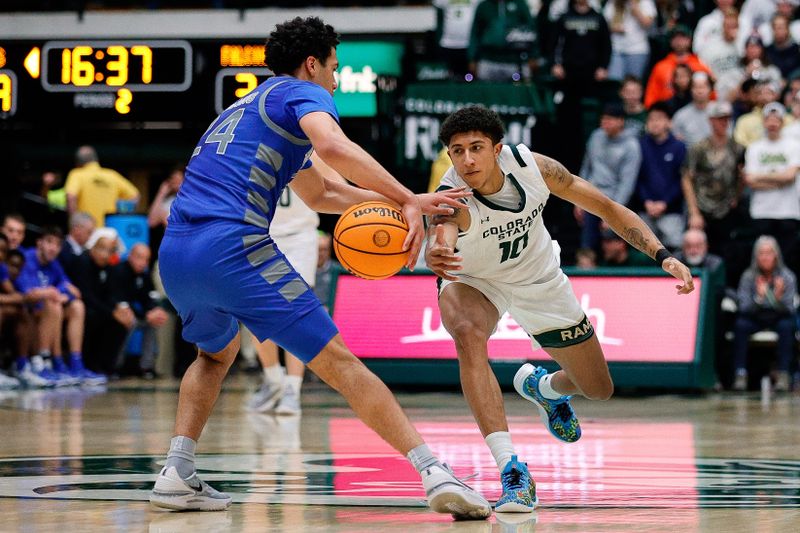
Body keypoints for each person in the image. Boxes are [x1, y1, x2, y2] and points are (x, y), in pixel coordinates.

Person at [149, 17, 490, 519]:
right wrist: (405, 198)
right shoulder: (299, 95)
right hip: (232, 247)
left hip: (177, 254)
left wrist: (407, 201)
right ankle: (433, 472)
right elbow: (334, 148)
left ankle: (176, 471)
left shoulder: (247, 107)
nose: (336, 77)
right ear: (313, 64)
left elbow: (325, 192)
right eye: (334, 66)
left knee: (213, 357)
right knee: (341, 363)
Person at [425, 105, 693, 511]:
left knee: (598, 388)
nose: (466, 160)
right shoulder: (453, 198)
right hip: (476, 281)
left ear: (497, 149)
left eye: (476, 148)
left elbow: (606, 207)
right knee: (466, 332)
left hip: (538, 279)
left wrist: (663, 256)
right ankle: (511, 470)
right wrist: (437, 249)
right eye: (457, 151)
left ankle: (544, 389)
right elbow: (441, 234)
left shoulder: (535, 169)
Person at [245, 154, 335, 417]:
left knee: (294, 315)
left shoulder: (315, 154)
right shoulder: (258, 148)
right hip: (262, 236)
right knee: (256, 314)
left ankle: (292, 391)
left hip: (300, 239)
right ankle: (273, 380)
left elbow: (337, 187)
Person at [13, 226, 96, 386]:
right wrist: (51, 293)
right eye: (49, 242)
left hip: (48, 311)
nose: (53, 248)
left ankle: (75, 362)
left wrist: (57, 292)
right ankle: (44, 363)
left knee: (77, 306)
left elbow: (73, 291)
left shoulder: (54, 264)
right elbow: (28, 294)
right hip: (29, 313)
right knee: (53, 305)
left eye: (58, 245)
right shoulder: (26, 258)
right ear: (39, 243)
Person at [681, 100, 745, 276]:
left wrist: (736, 197)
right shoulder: (699, 148)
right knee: (697, 251)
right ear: (711, 120)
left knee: (727, 253)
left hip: (725, 209)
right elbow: (687, 178)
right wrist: (694, 211)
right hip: (702, 207)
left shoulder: (737, 147)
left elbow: (742, 175)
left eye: (726, 119)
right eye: (719, 118)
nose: (724, 122)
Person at [733, 235, 797, 392]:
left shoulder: (787, 276)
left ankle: (783, 374)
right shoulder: (748, 276)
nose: (765, 257)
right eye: (761, 253)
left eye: (769, 253)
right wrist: (760, 299)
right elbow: (744, 307)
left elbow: (790, 308)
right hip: (755, 317)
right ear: (756, 256)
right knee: (740, 325)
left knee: (787, 326)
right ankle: (740, 373)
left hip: (778, 318)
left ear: (776, 255)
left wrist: (777, 298)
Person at [575, 102, 641, 252]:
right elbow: (586, 168)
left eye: (610, 119)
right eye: (603, 119)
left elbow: (627, 183)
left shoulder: (631, 146)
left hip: (613, 200)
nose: (605, 123)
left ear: (621, 121)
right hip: (590, 195)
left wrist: (613, 212)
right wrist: (576, 197)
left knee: (612, 246)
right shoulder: (596, 136)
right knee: (587, 246)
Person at [743, 102, 800, 272]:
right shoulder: (754, 148)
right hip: (762, 211)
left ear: (783, 122)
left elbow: (790, 177)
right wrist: (779, 177)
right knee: (761, 259)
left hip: (788, 211)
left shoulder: (794, 146)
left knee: (789, 258)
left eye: (777, 119)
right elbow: (750, 180)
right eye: (769, 119)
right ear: (763, 122)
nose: (773, 123)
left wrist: (761, 176)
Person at [635, 102, 687, 250]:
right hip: (645, 209)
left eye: (659, 119)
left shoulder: (679, 147)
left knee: (673, 252)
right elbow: (637, 178)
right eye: (651, 119)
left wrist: (665, 202)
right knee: (643, 251)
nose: (654, 123)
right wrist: (646, 201)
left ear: (669, 122)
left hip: (672, 211)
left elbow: (681, 180)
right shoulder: (640, 145)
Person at [113, 243, 169, 379]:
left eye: (146, 259)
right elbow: (122, 301)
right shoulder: (120, 271)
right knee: (129, 321)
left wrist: (154, 311)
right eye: (139, 257)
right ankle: (115, 366)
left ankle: (146, 367)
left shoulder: (144, 275)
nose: (142, 262)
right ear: (130, 256)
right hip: (118, 313)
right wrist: (146, 314)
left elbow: (149, 297)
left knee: (153, 323)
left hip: (139, 314)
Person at [64, 145, 140, 226]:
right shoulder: (112, 175)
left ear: (77, 163)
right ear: (96, 159)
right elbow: (135, 196)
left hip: (88, 230)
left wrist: (74, 223)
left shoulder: (77, 174)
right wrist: (121, 216)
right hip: (110, 229)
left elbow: (71, 197)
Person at [467, 0, 541, 81]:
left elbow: (531, 31)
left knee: (516, 91)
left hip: (514, 61)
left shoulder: (520, 4)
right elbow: (475, 34)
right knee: (486, 91)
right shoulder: (483, 6)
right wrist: (472, 58)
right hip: (487, 60)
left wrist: (534, 56)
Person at [644, 25, 712, 108]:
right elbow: (651, 96)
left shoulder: (700, 65)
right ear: (670, 41)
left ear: (690, 40)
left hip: (696, 109)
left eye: (683, 37)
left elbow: (712, 94)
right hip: (668, 112)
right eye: (675, 38)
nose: (679, 41)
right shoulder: (660, 67)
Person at [603, 0, 656, 81]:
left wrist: (634, 7)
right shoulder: (612, 2)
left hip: (637, 50)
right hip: (615, 49)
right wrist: (614, 28)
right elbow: (603, 25)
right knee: (614, 82)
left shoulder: (645, 2)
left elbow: (648, 24)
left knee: (634, 82)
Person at [433, 0, 482, 80]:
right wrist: (438, 41)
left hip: (469, 45)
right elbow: (438, 18)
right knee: (447, 79)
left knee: (469, 79)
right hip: (447, 43)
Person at [671, 71, 714, 146]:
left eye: (703, 86)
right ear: (690, 89)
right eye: (696, 87)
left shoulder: (720, 112)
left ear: (710, 89)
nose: (700, 91)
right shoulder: (680, 115)